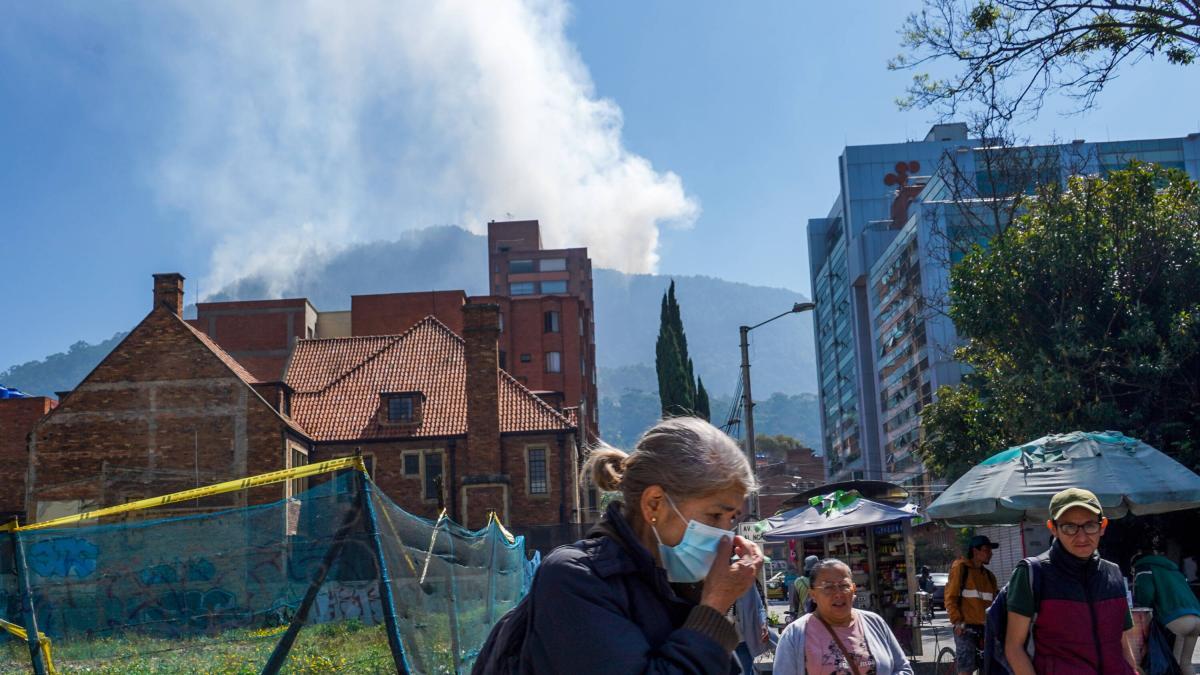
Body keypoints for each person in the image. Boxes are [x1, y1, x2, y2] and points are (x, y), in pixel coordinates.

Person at [472, 416, 762, 674]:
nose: (726, 535)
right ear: (654, 504)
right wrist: (713, 607)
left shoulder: (676, 587)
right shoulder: (575, 579)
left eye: (732, 518)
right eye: (715, 515)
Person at [1005, 488, 1139, 675]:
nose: (1082, 537)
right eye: (1069, 527)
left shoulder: (1113, 573)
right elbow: (1014, 647)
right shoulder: (1032, 573)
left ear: (1103, 526)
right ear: (1053, 528)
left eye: (1090, 525)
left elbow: (1122, 640)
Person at [773, 558, 913, 675]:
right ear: (813, 595)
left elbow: (903, 669)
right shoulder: (794, 634)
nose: (838, 593)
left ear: (853, 589)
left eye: (844, 586)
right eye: (828, 587)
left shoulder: (875, 622)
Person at [1134, 550, 1200, 675]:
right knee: (1185, 663)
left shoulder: (1144, 568)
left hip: (1177, 620)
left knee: (1170, 665)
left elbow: (1145, 595)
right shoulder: (1174, 569)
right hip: (1197, 618)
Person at [944, 534, 999, 675]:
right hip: (965, 627)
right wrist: (957, 622)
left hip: (985, 628)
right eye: (986, 550)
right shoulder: (961, 568)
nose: (990, 553)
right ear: (975, 551)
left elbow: (995, 603)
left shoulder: (989, 576)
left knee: (992, 666)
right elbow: (950, 597)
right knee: (966, 668)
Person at [733, 580, 776, 674]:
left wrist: (763, 624)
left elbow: (760, 607)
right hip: (726, 641)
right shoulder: (717, 582)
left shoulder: (748, 582)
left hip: (747, 639)